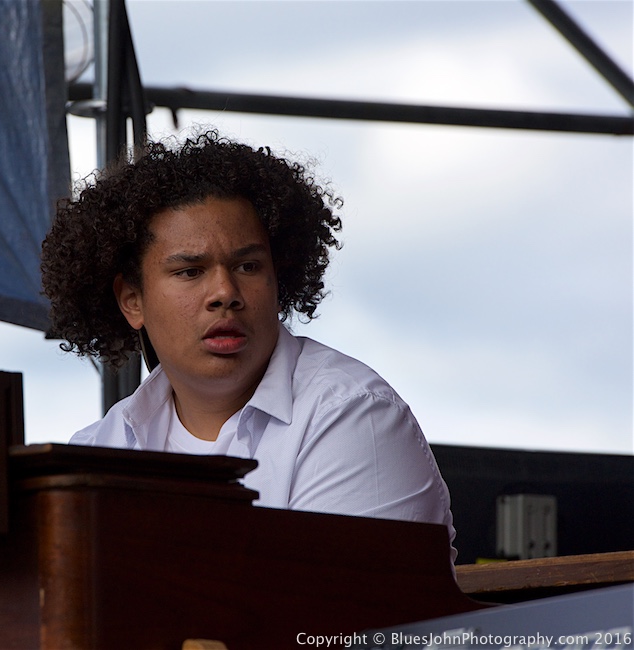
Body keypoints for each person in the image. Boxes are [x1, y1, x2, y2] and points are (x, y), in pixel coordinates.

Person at [41, 130, 456, 562]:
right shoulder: (98, 451)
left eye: (248, 265)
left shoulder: (354, 417)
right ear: (132, 301)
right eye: (190, 271)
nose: (224, 291)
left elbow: (336, 621)